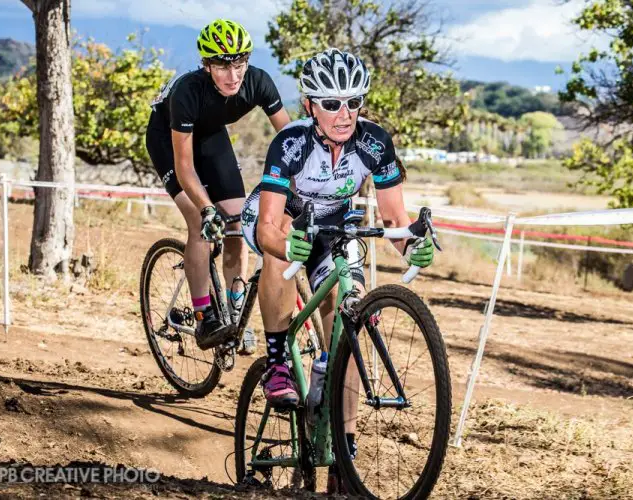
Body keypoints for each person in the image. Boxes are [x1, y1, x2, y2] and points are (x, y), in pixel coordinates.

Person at [241, 47, 435, 405]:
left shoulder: (374, 143)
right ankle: (277, 361)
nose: (344, 115)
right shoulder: (291, 143)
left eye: (354, 102)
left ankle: (342, 445)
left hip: (333, 225)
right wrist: (284, 247)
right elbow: (268, 225)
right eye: (331, 103)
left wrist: (412, 245)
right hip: (284, 214)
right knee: (280, 254)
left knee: (348, 318)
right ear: (310, 104)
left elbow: (395, 220)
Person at [146, 19, 290, 352]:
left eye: (239, 65)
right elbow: (184, 167)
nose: (233, 75)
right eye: (223, 67)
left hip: (210, 136)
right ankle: (204, 318)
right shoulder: (188, 91)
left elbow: (290, 140)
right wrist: (208, 207)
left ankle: (234, 309)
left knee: (239, 222)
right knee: (201, 221)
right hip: (169, 140)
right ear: (207, 66)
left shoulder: (259, 83)